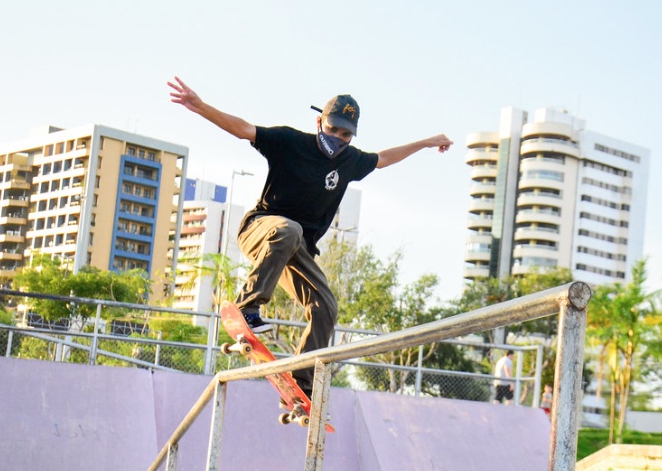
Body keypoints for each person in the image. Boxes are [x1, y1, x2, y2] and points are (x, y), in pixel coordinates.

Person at [168, 76, 452, 398]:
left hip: (295, 249)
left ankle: (300, 382)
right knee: (289, 229)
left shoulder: (351, 160)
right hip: (261, 230)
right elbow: (243, 128)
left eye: (345, 134)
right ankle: (249, 307)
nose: (339, 138)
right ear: (320, 122)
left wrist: (427, 142)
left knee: (326, 308)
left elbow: (384, 158)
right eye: (333, 130)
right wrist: (201, 106)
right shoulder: (290, 142)